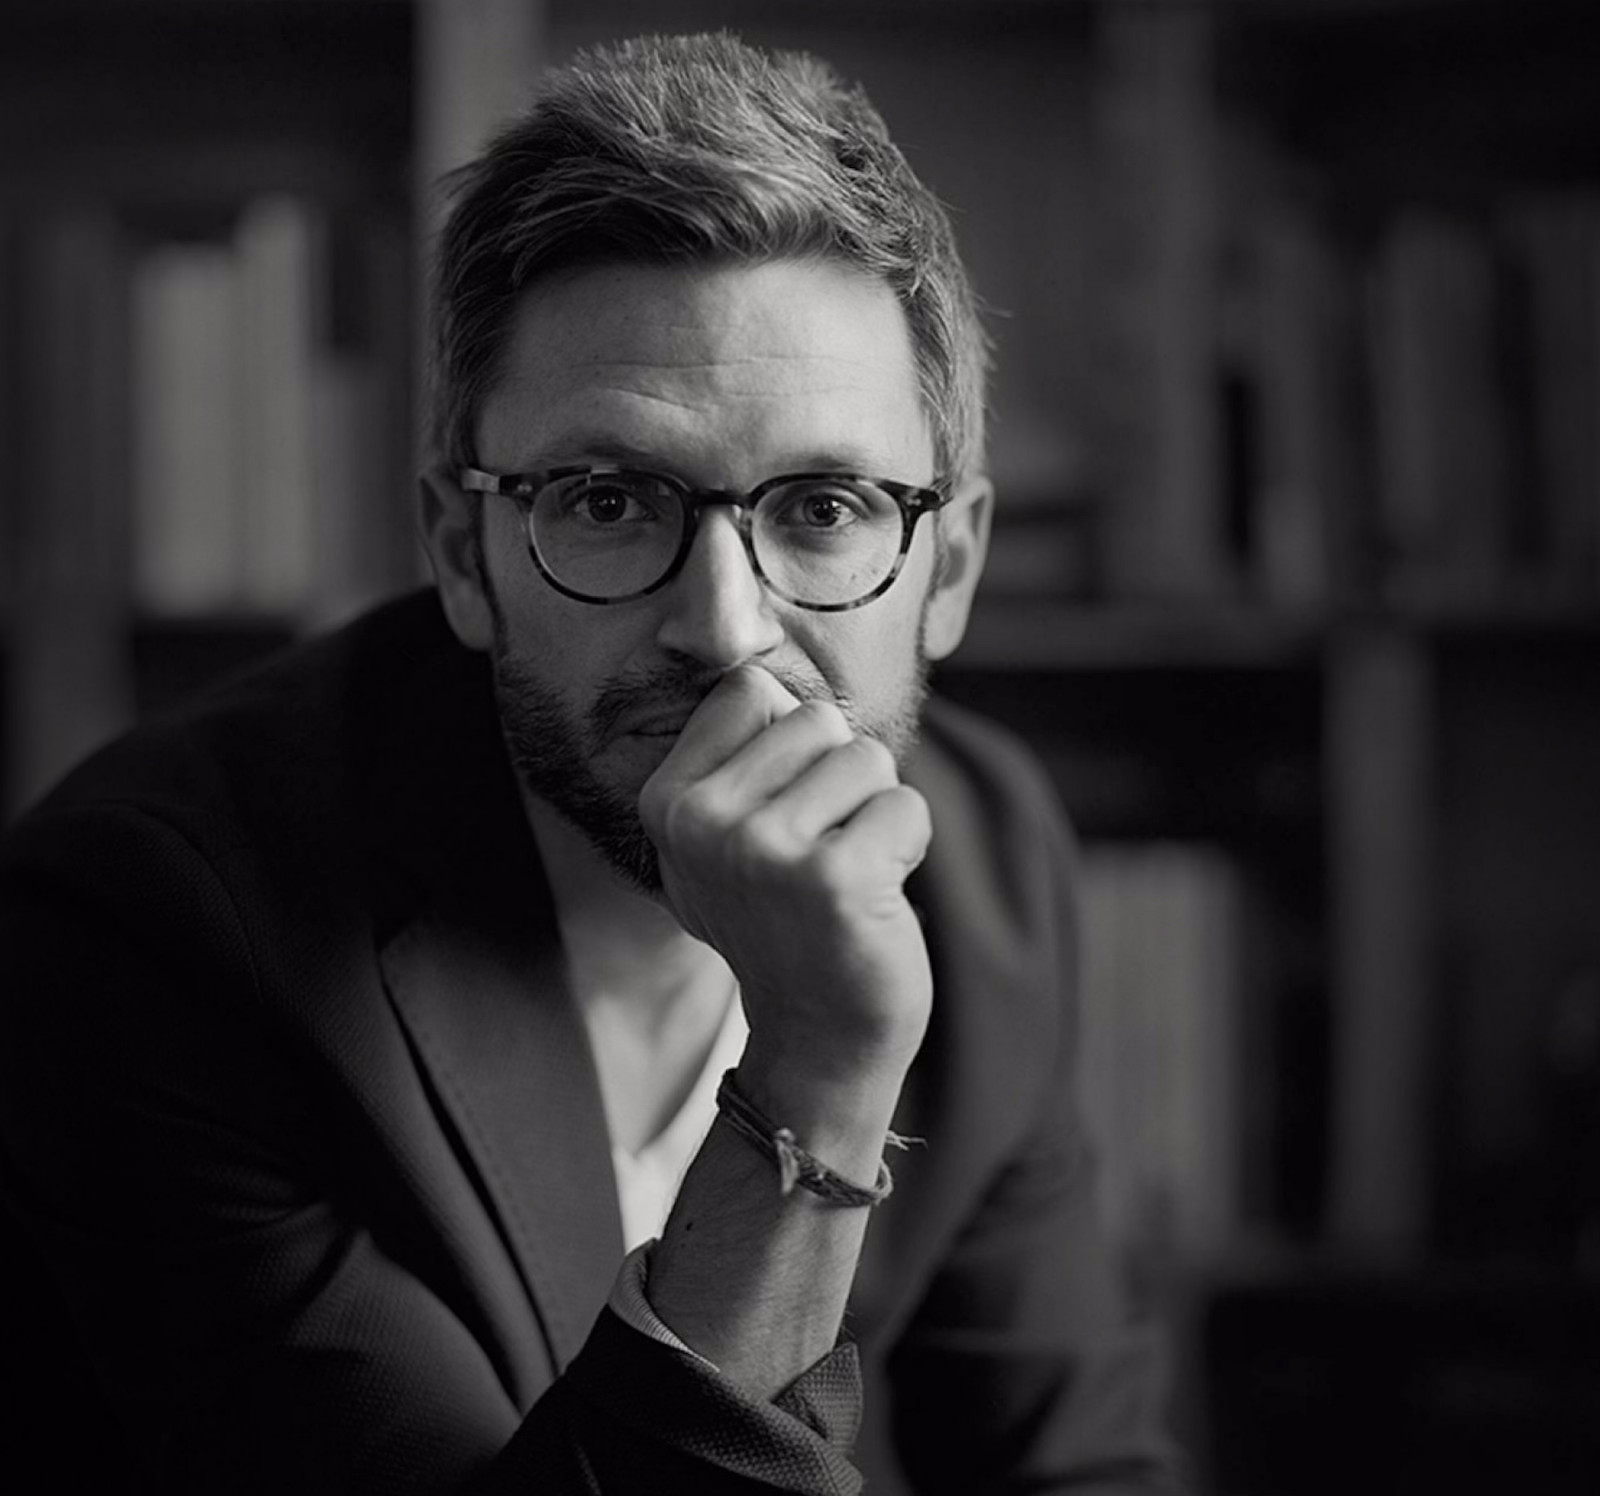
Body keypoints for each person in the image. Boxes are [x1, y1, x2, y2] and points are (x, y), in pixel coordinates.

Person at [0, 33, 1185, 1495]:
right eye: (611, 500)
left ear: (949, 567)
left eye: (821, 506)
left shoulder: (994, 861)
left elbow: (1070, 1469)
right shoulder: (158, 928)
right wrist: (815, 1080)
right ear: (463, 550)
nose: (726, 626)